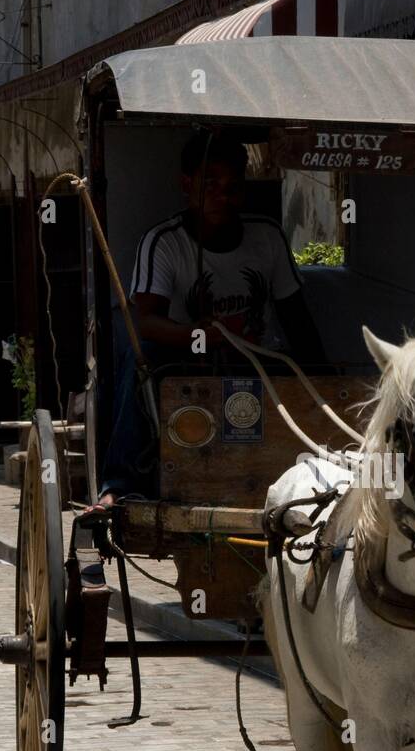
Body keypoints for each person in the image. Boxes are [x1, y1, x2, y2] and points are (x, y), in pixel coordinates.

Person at [93, 130, 328, 510]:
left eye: (233, 186)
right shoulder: (164, 242)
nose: (224, 195)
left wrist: (321, 377)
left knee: (305, 365)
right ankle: (120, 485)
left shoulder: (266, 236)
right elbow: (146, 324)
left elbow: (296, 318)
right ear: (188, 185)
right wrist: (200, 336)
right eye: (212, 184)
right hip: (187, 360)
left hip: (257, 361)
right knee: (141, 362)